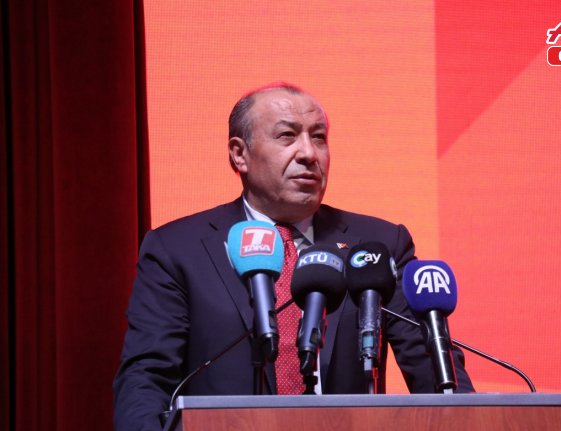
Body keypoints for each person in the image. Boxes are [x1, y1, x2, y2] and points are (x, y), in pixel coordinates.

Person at [113, 82, 473, 431]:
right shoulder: (178, 249)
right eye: (287, 136)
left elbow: (434, 367)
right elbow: (146, 378)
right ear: (239, 154)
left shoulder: (378, 245)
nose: (309, 154)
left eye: (319, 137)